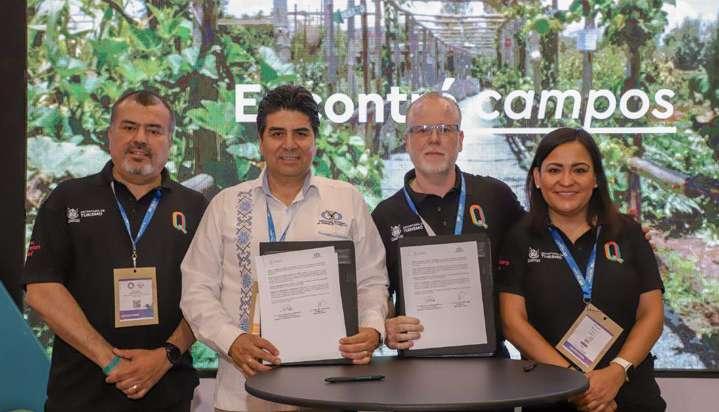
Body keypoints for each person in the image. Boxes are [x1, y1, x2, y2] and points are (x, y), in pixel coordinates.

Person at [180, 84, 389, 411]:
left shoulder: (346, 200)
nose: (289, 144)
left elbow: (372, 280)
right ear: (261, 141)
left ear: (315, 140)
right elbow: (197, 288)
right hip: (242, 393)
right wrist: (232, 340)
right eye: (277, 133)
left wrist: (373, 329)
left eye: (301, 133)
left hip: (329, 391)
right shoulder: (226, 205)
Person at [23, 90, 207, 411]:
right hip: (80, 393)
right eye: (129, 127)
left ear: (170, 141)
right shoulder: (67, 199)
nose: (140, 139)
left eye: (154, 130)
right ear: (110, 134)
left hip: (167, 391)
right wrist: (110, 361)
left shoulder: (195, 207)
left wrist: (165, 356)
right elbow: (41, 288)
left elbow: (207, 295)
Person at [497, 127, 666, 411]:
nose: (566, 181)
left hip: (630, 395)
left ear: (596, 177)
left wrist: (617, 371)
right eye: (554, 170)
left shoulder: (628, 233)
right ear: (537, 177)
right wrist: (575, 385)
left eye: (579, 170)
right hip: (551, 396)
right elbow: (513, 323)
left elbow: (652, 314)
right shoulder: (519, 238)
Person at [371, 92, 525, 352]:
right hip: (416, 363)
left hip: (491, 361)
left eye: (445, 129)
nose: (434, 138)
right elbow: (376, 290)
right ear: (407, 141)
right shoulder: (385, 215)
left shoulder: (496, 196)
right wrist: (386, 325)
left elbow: (532, 257)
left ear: (460, 140)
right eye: (421, 130)